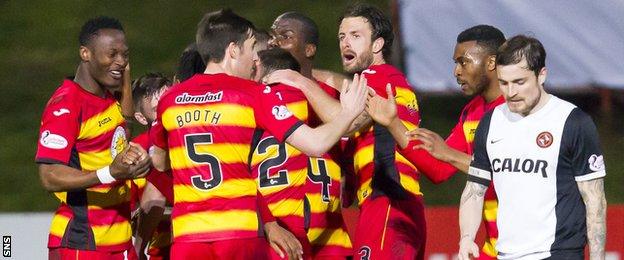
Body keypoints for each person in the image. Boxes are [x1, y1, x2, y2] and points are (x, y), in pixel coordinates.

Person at [149, 9, 368, 260]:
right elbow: (315, 144)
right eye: (252, 48)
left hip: (188, 236)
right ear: (233, 50)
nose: (256, 58)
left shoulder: (171, 99)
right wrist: (347, 114)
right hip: (239, 234)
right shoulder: (251, 94)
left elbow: (159, 162)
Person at [264, 4, 424, 259]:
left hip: (387, 203)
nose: (345, 43)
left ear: (377, 44)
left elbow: (348, 120)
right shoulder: (387, 79)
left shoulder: (378, 77)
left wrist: (299, 80)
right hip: (393, 205)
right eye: (341, 37)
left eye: (355, 35)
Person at [458, 35, 607, 260]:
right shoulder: (491, 122)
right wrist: (467, 237)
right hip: (506, 253)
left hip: (558, 253)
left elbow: (594, 199)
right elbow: (474, 190)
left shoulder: (572, 121)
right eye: (504, 83)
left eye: (520, 82)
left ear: (541, 75)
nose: (511, 92)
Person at [365, 24, 506, 259]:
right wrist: (393, 124)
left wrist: (448, 153)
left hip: (531, 248)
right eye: (455, 62)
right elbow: (440, 169)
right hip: (495, 249)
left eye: (463, 61)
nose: (456, 71)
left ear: (491, 63)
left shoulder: (519, 110)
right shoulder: (472, 112)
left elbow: (513, 173)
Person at [35, 16, 151, 260]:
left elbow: (121, 133)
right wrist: (111, 172)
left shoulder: (109, 97)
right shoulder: (66, 104)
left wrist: (135, 159)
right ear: (85, 53)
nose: (120, 61)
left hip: (120, 240)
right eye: (112, 54)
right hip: (83, 242)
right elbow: (49, 176)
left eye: (125, 55)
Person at [269, 12, 353, 259]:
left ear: (309, 49)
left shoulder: (333, 96)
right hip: (279, 234)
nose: (274, 43)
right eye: (272, 37)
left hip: (330, 236)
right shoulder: (257, 96)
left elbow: (357, 121)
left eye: (285, 36)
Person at [128, 73, 173, 260]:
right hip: (160, 252)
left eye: (169, 105)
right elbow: (130, 218)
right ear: (140, 117)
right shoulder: (134, 152)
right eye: (157, 110)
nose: (165, 116)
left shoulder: (191, 140)